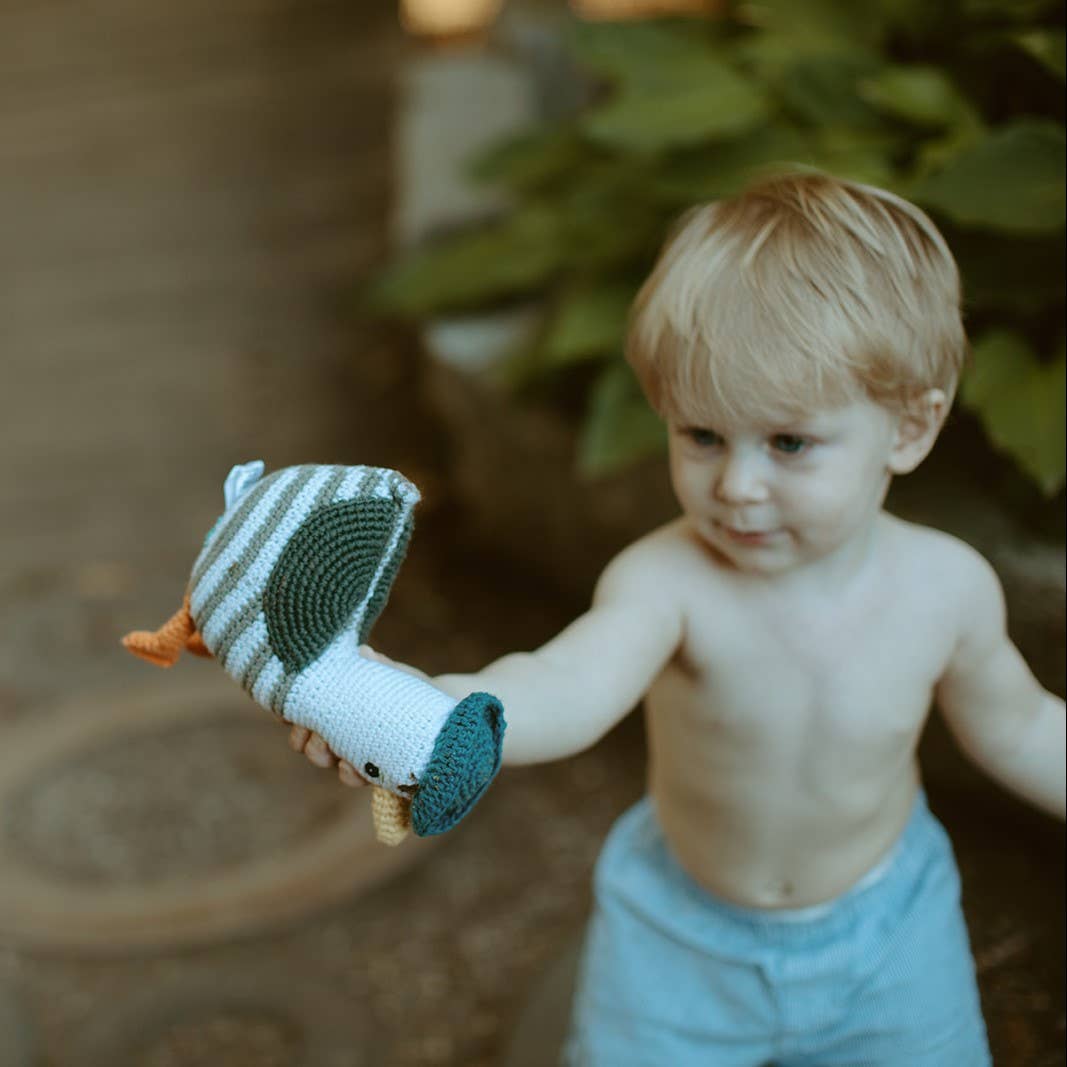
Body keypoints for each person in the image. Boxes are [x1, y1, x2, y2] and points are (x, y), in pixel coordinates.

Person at [287, 171, 1066, 1065]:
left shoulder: (945, 590)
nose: (736, 486)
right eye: (701, 436)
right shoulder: (669, 582)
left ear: (908, 429)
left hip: (886, 933)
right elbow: (567, 681)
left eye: (788, 443)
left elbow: (1020, 728)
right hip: (682, 938)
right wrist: (440, 713)